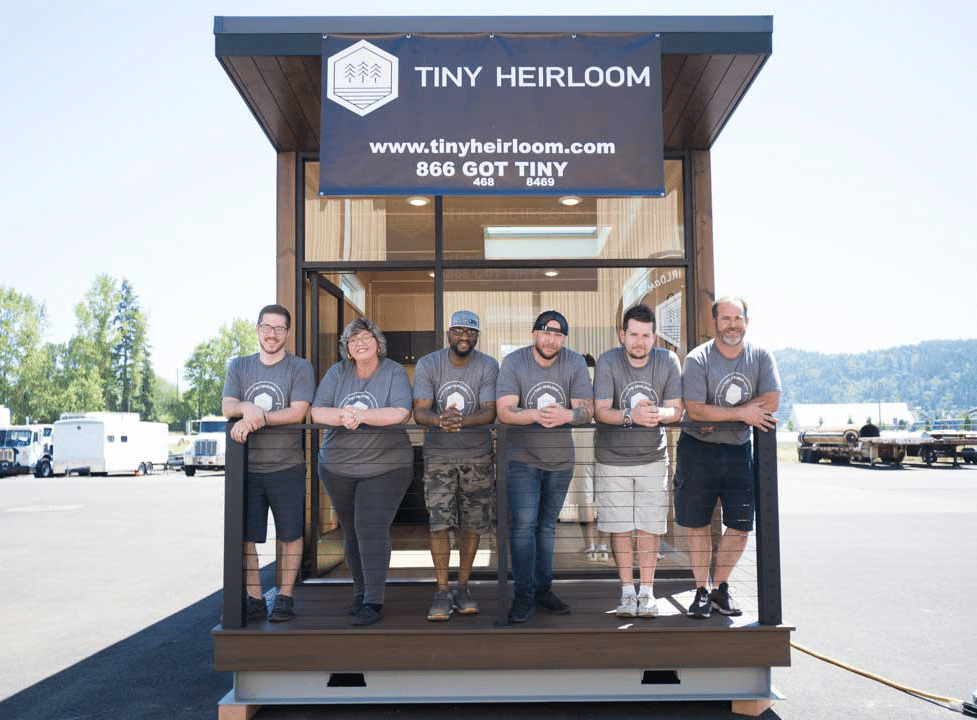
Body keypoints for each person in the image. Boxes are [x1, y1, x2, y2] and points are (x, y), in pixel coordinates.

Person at [674, 297, 780, 618]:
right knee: (697, 524)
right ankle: (701, 590)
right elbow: (695, 409)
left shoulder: (761, 357)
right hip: (697, 450)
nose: (732, 324)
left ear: (747, 320)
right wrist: (743, 413)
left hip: (738, 452)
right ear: (714, 323)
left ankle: (720, 587)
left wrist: (720, 417)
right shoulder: (698, 359)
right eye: (725, 319)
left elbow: (771, 401)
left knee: (739, 525)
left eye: (738, 318)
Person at [310, 317, 413, 627]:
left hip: (386, 465)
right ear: (347, 347)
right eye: (353, 340)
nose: (360, 344)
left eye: (366, 337)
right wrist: (343, 416)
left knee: (369, 527)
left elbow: (401, 411)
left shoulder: (392, 371)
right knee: (351, 530)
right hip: (337, 466)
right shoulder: (337, 372)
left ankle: (373, 600)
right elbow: (316, 410)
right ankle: (360, 593)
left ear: (377, 342)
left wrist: (363, 414)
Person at [496, 310, 593, 623]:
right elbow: (504, 411)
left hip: (560, 460)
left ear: (563, 338)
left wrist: (567, 415)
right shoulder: (515, 362)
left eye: (558, 334)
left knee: (547, 527)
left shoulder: (574, 361)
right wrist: (537, 415)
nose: (551, 339)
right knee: (523, 526)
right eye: (546, 331)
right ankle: (523, 596)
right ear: (534, 334)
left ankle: (543, 590)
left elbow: (586, 411)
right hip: (521, 458)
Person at [221, 304, 315, 624]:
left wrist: (253, 421)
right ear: (257, 328)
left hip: (286, 466)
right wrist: (248, 407)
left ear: (287, 333)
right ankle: (255, 598)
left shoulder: (299, 368)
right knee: (247, 537)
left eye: (279, 328)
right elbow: (227, 406)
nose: (272, 334)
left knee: (290, 535)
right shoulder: (240, 366)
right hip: (248, 469)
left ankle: (285, 597)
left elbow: (297, 412)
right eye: (266, 327)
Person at [593, 303, 683, 618]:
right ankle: (626, 593)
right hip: (612, 458)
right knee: (619, 528)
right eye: (633, 334)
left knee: (649, 527)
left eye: (645, 335)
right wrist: (631, 414)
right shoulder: (607, 361)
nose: (639, 342)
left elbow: (677, 409)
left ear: (654, 337)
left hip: (653, 456)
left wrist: (657, 414)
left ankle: (647, 592)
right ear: (622, 335)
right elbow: (600, 411)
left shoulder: (668, 360)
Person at [412, 310, 499, 621]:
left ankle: (463, 587)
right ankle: (441, 590)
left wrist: (456, 421)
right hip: (438, 456)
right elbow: (420, 412)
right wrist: (439, 420)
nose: (465, 337)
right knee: (439, 523)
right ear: (448, 332)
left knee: (472, 524)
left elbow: (489, 412)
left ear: (477, 336)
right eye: (459, 331)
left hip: (478, 457)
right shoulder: (428, 364)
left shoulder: (487, 365)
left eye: (471, 332)